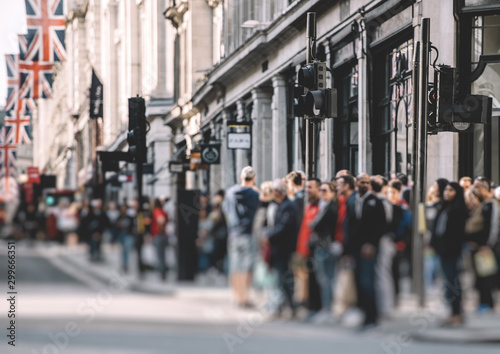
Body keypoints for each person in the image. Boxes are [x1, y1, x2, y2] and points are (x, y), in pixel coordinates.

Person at [343, 173, 386, 329]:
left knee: (367, 282)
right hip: (354, 249)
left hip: (369, 249)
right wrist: (346, 252)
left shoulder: (375, 201)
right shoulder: (352, 201)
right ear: (356, 184)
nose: (365, 184)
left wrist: (371, 244)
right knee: (358, 282)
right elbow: (348, 227)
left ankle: (372, 317)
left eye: (367, 182)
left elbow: (381, 225)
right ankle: (363, 315)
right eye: (362, 182)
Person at [430, 182, 468, 326]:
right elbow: (437, 228)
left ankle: (457, 313)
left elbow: (457, 234)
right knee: (447, 281)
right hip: (441, 250)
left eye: (451, 190)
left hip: (452, 251)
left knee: (453, 281)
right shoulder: (443, 208)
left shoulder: (458, 211)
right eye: (446, 190)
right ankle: (452, 312)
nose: (447, 192)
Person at [260, 179, 299, 318]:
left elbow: (284, 226)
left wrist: (268, 236)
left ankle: (288, 307)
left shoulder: (288, 206)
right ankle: (284, 307)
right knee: (280, 279)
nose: (273, 194)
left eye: (275, 191)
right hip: (277, 248)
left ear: (280, 192)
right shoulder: (279, 205)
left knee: (283, 279)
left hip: (284, 248)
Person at [223, 166, 260, 308]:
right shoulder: (254, 194)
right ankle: (245, 297)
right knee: (247, 267)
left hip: (234, 233)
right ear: (254, 178)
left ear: (241, 178)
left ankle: (236, 296)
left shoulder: (230, 193)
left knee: (235, 267)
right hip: (248, 232)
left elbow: (226, 210)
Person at [466, 177, 500, 313]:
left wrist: (487, 244)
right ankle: (483, 302)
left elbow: (493, 226)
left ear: (484, 188)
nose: (474, 189)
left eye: (477, 187)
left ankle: (487, 303)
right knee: (479, 277)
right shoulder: (481, 204)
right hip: (476, 247)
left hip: (485, 248)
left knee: (486, 277)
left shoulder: (491, 205)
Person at [309, 181, 339, 323]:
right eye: (321, 190)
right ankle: (327, 309)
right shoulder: (324, 207)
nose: (321, 193)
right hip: (323, 246)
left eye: (325, 190)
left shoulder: (330, 208)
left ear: (332, 193)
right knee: (325, 279)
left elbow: (315, 225)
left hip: (325, 248)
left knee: (326, 280)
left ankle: (328, 310)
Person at [296, 178, 323, 319]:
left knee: (317, 280)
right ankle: (311, 307)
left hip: (316, 249)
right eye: (306, 187)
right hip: (305, 249)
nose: (307, 190)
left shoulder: (320, 207)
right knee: (309, 281)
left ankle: (318, 308)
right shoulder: (309, 206)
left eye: (310, 187)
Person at [150, 198, 169, 281]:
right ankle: (163, 273)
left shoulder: (157, 211)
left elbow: (161, 220)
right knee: (162, 256)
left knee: (160, 256)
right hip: (162, 235)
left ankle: (162, 274)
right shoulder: (162, 211)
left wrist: (159, 232)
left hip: (159, 235)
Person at [116, 204, 135, 273]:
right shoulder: (119, 217)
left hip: (128, 235)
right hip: (121, 235)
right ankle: (123, 264)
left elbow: (132, 226)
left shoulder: (130, 218)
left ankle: (126, 264)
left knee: (127, 249)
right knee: (123, 251)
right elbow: (116, 227)